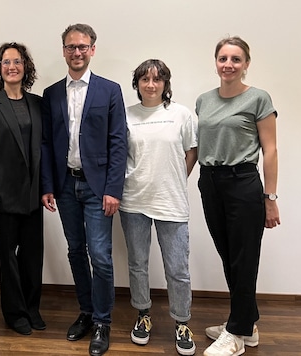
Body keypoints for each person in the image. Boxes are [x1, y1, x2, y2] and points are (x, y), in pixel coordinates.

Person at [40, 23, 127, 356]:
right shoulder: (51, 94)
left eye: (83, 46)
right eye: (71, 47)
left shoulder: (110, 90)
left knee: (101, 257)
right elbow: (47, 143)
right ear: (64, 51)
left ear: (92, 50)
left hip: (98, 187)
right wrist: (48, 185)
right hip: (64, 186)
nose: (77, 52)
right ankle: (87, 312)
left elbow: (118, 142)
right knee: (76, 250)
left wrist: (113, 189)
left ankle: (104, 321)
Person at [196, 36, 280, 356]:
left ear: (246, 64)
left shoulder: (258, 98)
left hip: (243, 182)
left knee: (245, 259)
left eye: (235, 59)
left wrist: (270, 198)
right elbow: (199, 146)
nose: (228, 64)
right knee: (230, 257)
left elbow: (270, 151)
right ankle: (246, 323)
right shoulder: (204, 100)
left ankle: (236, 332)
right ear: (216, 62)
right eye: (223, 58)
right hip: (210, 182)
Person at [119, 59, 198, 356]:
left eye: (157, 79)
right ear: (137, 83)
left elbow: (192, 151)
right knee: (137, 264)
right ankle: (143, 314)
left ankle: (182, 321)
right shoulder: (126, 116)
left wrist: (175, 178)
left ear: (165, 83)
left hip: (171, 201)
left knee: (177, 268)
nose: (151, 85)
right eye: (145, 79)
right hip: (134, 200)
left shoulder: (181, 115)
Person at [0, 42, 44, 336]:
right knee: (8, 257)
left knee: (32, 255)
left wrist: (47, 188)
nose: (12, 66)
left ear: (25, 67)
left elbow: (45, 147)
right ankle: (14, 313)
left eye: (17, 61)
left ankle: (32, 309)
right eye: (6, 62)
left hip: (33, 194)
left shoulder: (38, 104)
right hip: (2, 196)